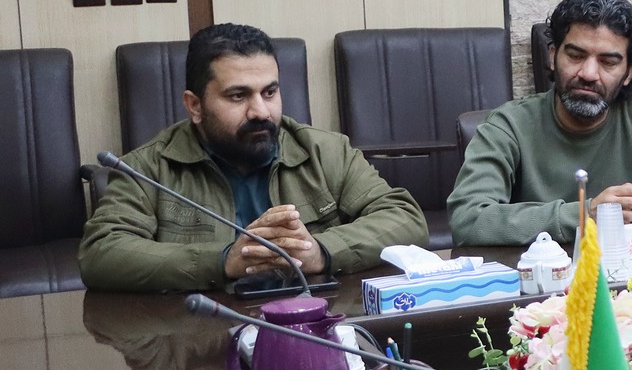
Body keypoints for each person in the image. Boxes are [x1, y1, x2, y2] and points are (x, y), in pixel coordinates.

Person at [79, 24, 427, 292]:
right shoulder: (147, 168)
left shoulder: (325, 151)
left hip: (315, 324)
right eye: (238, 96)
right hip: (204, 336)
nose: (260, 111)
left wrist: (321, 251)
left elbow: (405, 219)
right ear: (195, 106)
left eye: (270, 92)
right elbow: (101, 253)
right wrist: (223, 261)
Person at [449, 0, 632, 245]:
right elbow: (468, 220)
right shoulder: (509, 126)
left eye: (608, 62)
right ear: (553, 56)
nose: (588, 73)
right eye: (576, 56)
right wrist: (584, 216)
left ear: (630, 72)